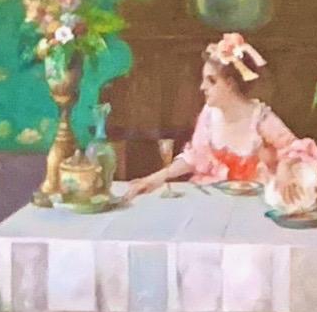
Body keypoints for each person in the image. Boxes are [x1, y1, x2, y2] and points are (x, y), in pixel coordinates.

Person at [115, 35, 303, 200]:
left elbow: (295, 149)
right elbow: (196, 156)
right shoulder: (209, 115)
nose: (202, 87)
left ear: (229, 84)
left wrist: (284, 169)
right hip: (217, 199)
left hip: (255, 202)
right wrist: (156, 178)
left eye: (210, 81)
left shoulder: (260, 118)